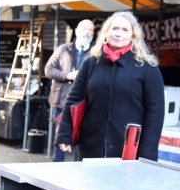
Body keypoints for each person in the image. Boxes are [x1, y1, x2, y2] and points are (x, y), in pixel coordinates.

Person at [56, 11, 164, 160]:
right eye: (115, 28)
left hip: (129, 151)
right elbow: (73, 99)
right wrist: (64, 134)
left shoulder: (147, 67)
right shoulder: (91, 63)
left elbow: (155, 113)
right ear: (106, 32)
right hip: (91, 147)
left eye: (125, 30)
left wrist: (147, 153)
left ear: (133, 35)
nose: (119, 34)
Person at [45, 19, 95, 161]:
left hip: (85, 101)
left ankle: (78, 167)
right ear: (76, 31)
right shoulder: (63, 49)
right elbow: (48, 70)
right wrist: (67, 75)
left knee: (83, 135)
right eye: (85, 28)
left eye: (91, 30)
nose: (88, 32)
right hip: (62, 100)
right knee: (60, 134)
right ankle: (57, 166)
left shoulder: (96, 52)